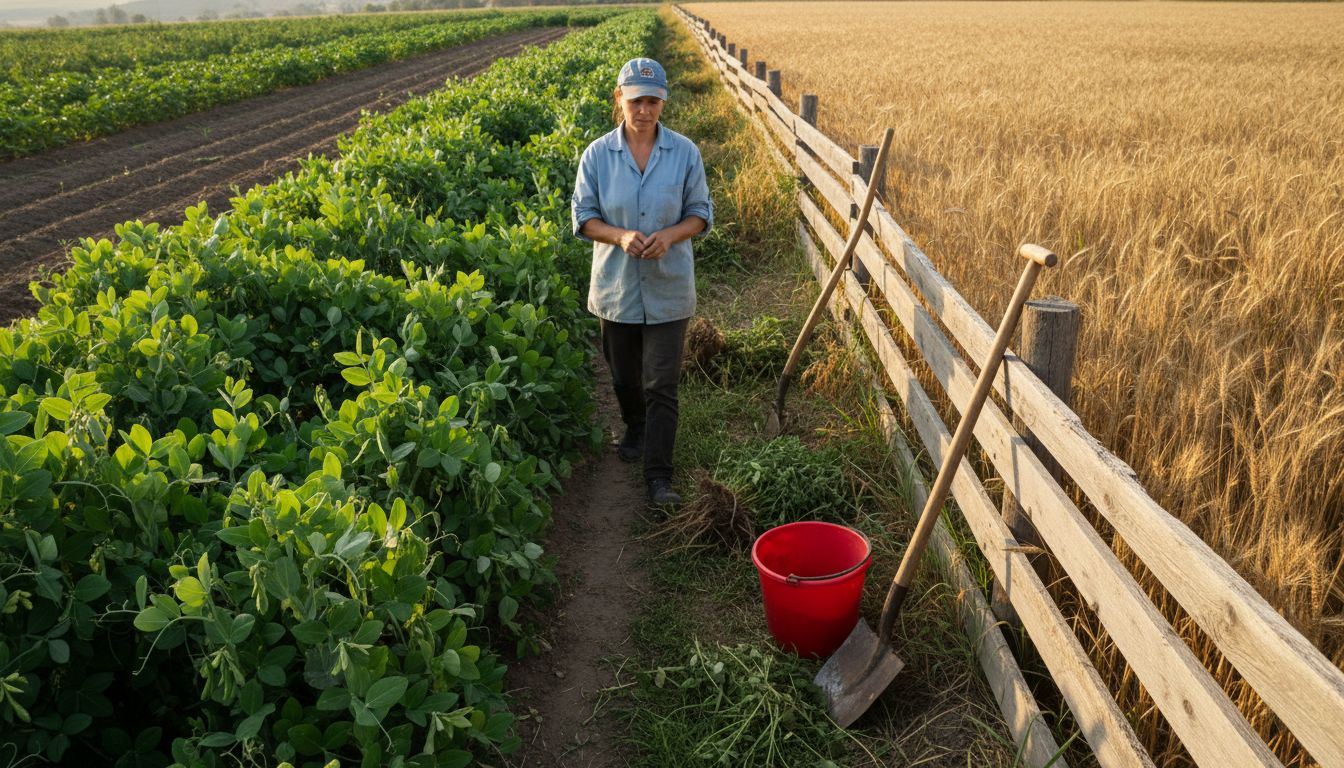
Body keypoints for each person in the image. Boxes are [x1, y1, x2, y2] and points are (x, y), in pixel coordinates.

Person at [571, 57, 713, 507]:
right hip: (616, 289)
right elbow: (583, 217)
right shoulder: (597, 155)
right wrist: (619, 236)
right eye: (636, 101)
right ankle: (634, 424)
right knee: (624, 377)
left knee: (661, 384)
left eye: (653, 101)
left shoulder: (685, 153)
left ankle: (659, 478)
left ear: (663, 102)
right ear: (620, 99)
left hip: (669, 287)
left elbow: (700, 213)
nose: (645, 110)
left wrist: (670, 236)